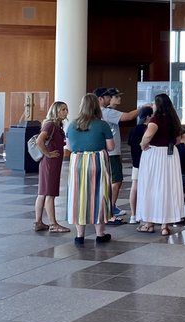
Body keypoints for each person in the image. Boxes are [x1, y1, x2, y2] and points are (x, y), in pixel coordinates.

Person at [66, 93, 115, 246]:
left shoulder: (72, 124)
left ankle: (80, 236)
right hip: (97, 161)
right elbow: (111, 147)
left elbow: (69, 146)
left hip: (77, 162)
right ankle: (100, 234)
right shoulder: (102, 124)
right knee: (99, 195)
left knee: (78, 196)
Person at [135, 93, 183, 237]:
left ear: (158, 105)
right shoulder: (174, 119)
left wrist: (143, 145)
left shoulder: (155, 120)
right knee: (168, 187)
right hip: (170, 155)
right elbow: (178, 140)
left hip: (154, 155)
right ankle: (165, 225)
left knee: (151, 186)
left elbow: (147, 137)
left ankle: (149, 223)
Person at [94, 87, 143, 223]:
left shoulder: (103, 112)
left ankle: (109, 208)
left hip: (108, 152)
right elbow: (127, 117)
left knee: (111, 180)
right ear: (100, 99)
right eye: (108, 97)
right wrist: (143, 108)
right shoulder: (106, 112)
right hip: (111, 152)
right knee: (116, 180)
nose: (110, 99)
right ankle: (109, 210)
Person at [33, 101, 70, 233]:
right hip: (50, 163)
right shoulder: (50, 125)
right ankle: (53, 224)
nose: (65, 112)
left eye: (66, 109)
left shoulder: (56, 126)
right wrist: (47, 153)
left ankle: (38, 222)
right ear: (55, 111)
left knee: (43, 192)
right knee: (50, 193)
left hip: (50, 163)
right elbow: (39, 140)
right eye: (62, 110)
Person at [126, 105, 153, 225]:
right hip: (148, 162)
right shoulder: (149, 130)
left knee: (134, 187)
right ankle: (148, 215)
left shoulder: (134, 129)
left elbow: (130, 144)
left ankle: (133, 215)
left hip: (136, 162)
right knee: (149, 188)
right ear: (148, 116)